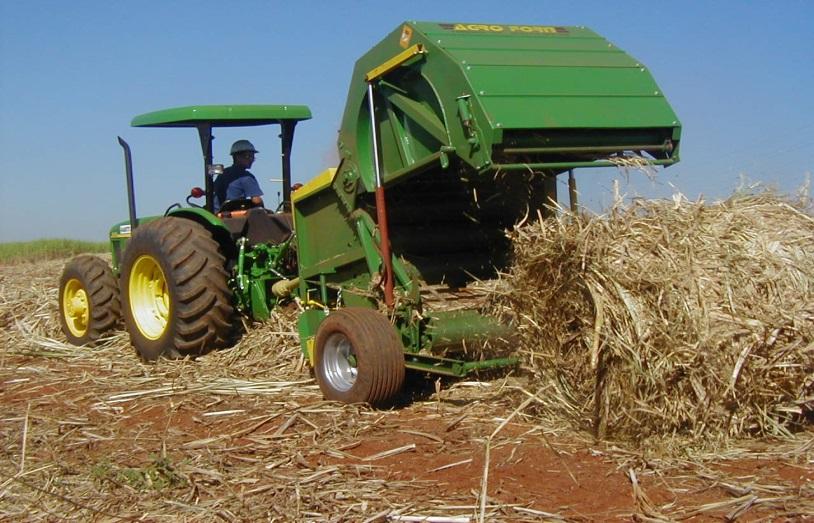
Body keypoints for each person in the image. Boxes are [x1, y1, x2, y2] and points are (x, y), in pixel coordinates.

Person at [213, 140, 264, 213]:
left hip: (217, 213)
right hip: (235, 214)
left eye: (253, 157)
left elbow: (214, 190)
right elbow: (256, 200)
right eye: (248, 156)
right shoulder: (246, 177)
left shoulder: (223, 173)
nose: (251, 160)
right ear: (237, 157)